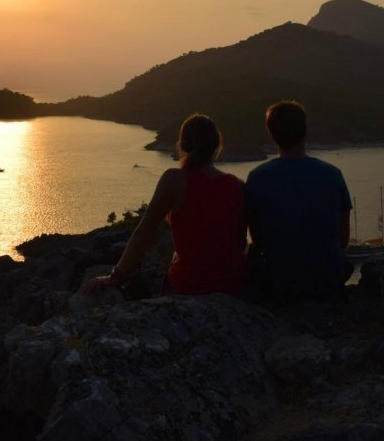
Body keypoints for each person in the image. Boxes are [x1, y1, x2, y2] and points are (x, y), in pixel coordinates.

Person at [84, 113, 248, 296]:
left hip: (190, 283)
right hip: (233, 283)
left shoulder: (174, 179)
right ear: (217, 146)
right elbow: (239, 243)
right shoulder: (238, 186)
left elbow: (144, 231)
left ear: (182, 145)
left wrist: (117, 274)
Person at [245, 100, 353, 302]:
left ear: (272, 135)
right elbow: (343, 240)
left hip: (279, 284)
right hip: (327, 282)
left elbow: (258, 239)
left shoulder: (257, 178)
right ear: (304, 131)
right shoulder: (332, 174)